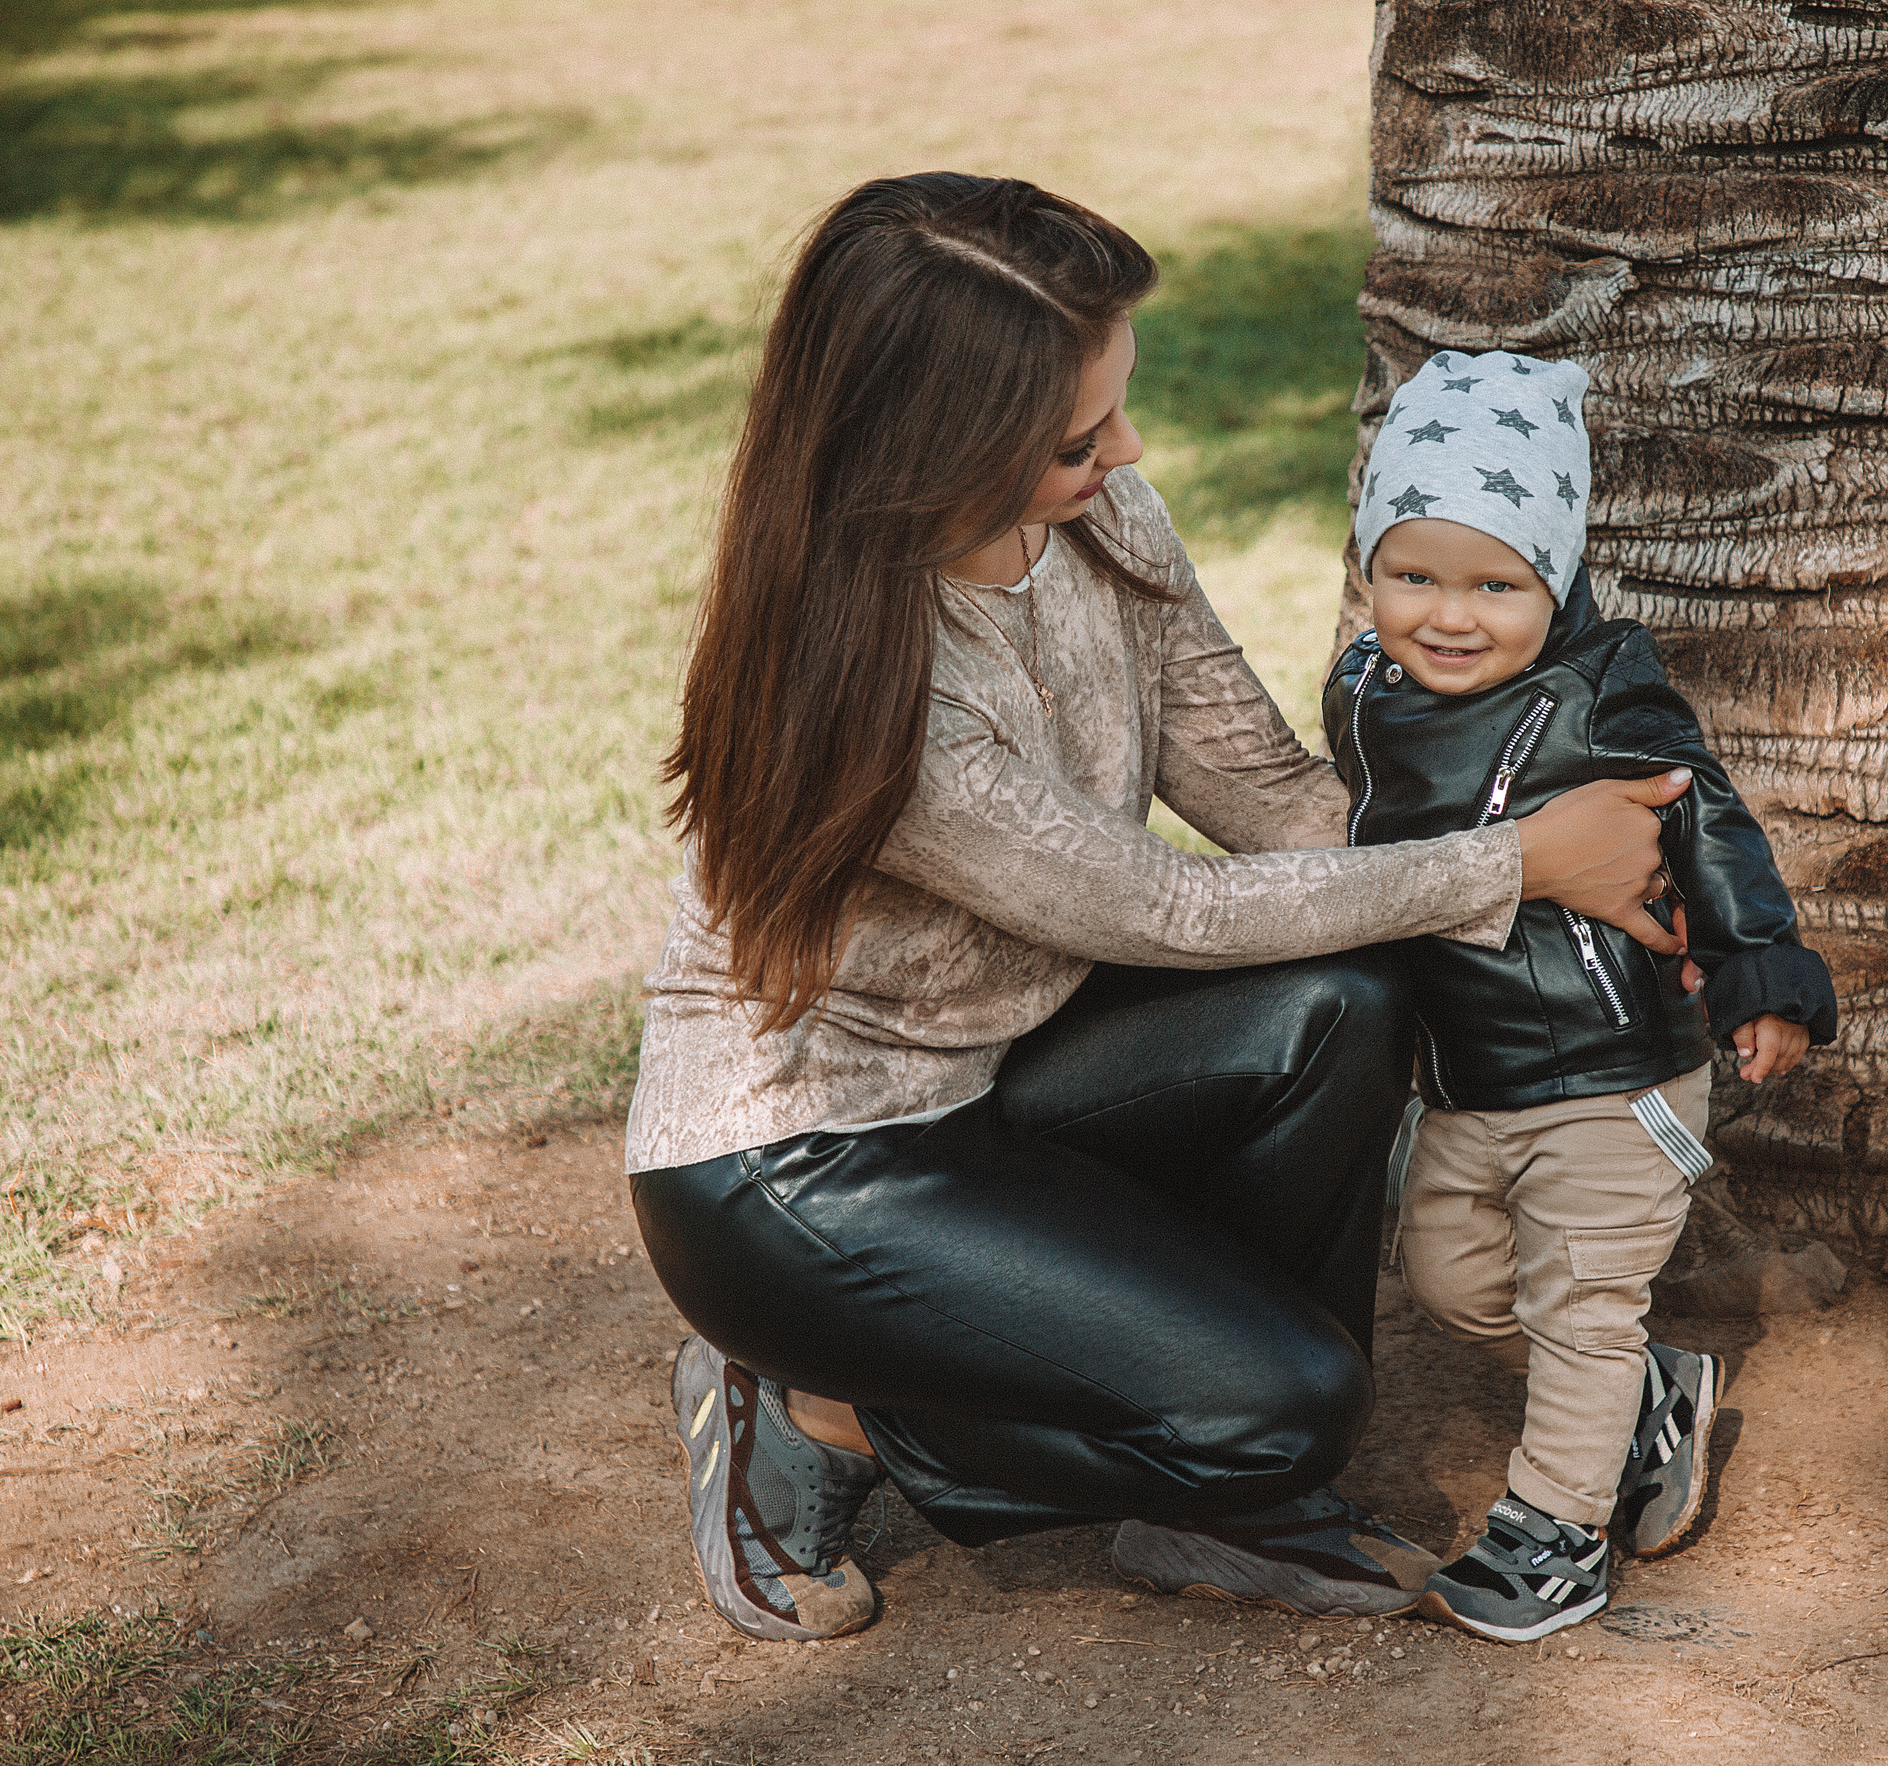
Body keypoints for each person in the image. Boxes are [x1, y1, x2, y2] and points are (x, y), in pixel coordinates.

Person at [624, 174, 1694, 1644]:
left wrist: (1557, 913)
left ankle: (1227, 1469)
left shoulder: (1100, 513)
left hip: (1006, 1064)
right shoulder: (894, 692)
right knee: (1294, 1407)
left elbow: (1254, 780)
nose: (1125, 450)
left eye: (1112, 411)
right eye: (1077, 437)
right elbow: (1167, 911)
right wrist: (1513, 866)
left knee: (1349, 1002)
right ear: (940, 447)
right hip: (800, 1167)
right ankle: (820, 1404)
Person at [1320, 349, 1838, 1643]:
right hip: (1469, 1074)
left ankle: (1553, 1531)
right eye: (1412, 574)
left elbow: (1706, 821)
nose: (1449, 614)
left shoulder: (1599, 692)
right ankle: (1656, 1399)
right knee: (1448, 1282)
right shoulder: (1364, 693)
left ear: (1555, 577)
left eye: (1496, 583)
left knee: (1580, 1303)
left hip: (1617, 1070)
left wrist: (1758, 971)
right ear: (1370, 567)